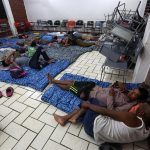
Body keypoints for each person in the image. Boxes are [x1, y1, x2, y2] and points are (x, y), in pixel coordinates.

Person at [54, 102, 150, 147]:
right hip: (98, 136)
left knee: (91, 101)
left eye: (138, 106)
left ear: (141, 113)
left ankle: (65, 118)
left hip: (92, 125)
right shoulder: (147, 133)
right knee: (95, 106)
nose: (136, 106)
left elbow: (105, 111)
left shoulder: (131, 118)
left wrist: (88, 105)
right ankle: (76, 116)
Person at [47, 74, 148, 111]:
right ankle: (54, 80)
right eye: (133, 91)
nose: (131, 93)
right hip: (94, 87)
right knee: (73, 81)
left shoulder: (127, 105)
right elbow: (114, 87)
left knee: (70, 87)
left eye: (135, 94)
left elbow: (111, 111)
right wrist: (116, 85)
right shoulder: (128, 92)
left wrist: (111, 96)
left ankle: (54, 82)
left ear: (138, 99)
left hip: (88, 95)